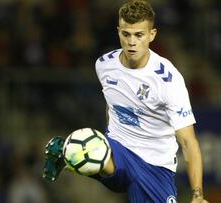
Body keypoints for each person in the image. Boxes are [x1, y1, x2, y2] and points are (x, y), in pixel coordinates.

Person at [43, 1, 209, 202]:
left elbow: (188, 141)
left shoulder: (169, 80)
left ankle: (68, 152)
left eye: (139, 35)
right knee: (95, 148)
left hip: (154, 165)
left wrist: (197, 194)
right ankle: (71, 152)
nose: (132, 42)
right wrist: (110, 135)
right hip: (118, 150)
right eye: (126, 34)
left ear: (152, 35)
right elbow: (111, 101)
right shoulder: (104, 65)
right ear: (118, 32)